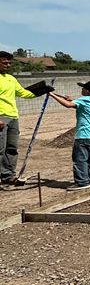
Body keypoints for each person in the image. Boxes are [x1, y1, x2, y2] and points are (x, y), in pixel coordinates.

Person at [49, 81, 90, 188]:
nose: (81, 90)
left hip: (84, 134)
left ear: (87, 90)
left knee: (80, 159)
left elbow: (68, 105)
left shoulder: (84, 99)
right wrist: (71, 100)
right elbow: (76, 104)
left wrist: (51, 94)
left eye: (83, 88)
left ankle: (82, 182)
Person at [0, 50, 40, 187]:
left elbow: (24, 93)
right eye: (5, 62)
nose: (8, 65)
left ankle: (8, 175)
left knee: (11, 148)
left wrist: (42, 90)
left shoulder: (11, 79)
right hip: (1, 118)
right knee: (0, 149)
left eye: (10, 62)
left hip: (13, 117)